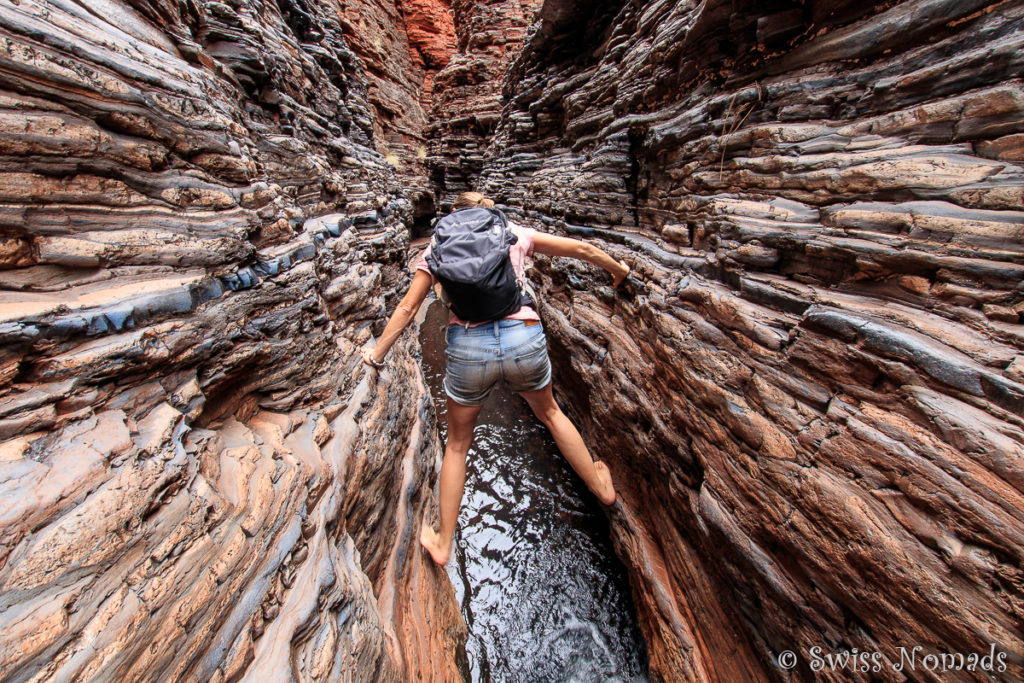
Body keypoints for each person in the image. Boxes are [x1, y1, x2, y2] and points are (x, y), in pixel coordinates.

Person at [361, 191, 630, 566]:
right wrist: (619, 270)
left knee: (457, 445)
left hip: (469, 347)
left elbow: (408, 307)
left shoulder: (439, 245)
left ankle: (442, 543)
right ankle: (601, 487)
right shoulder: (512, 233)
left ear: (454, 217)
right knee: (551, 414)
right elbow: (581, 249)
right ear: (488, 211)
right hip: (523, 337)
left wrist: (375, 356)